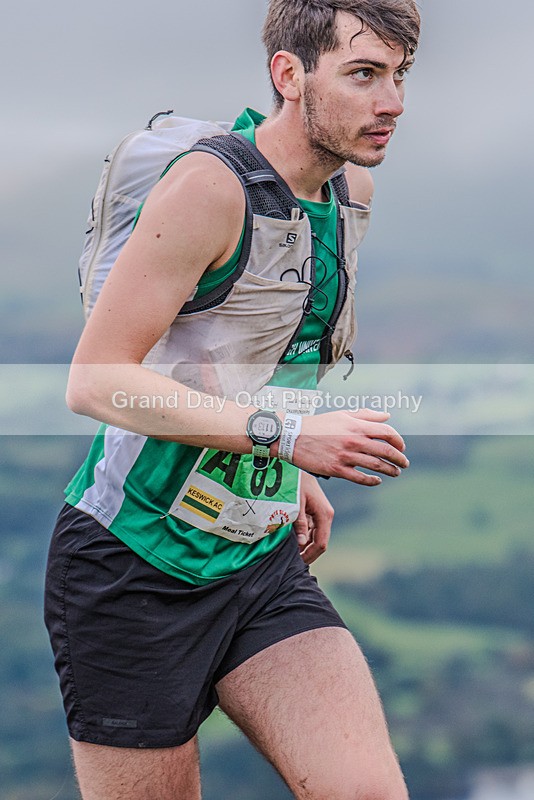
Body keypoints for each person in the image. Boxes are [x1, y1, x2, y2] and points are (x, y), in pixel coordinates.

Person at [44, 1, 420, 797]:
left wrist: (289, 472)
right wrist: (287, 440)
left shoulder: (351, 191)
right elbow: (96, 378)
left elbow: (262, 352)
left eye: (398, 75)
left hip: (259, 564)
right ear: (289, 75)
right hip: (131, 568)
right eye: (363, 74)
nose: (391, 102)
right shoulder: (208, 189)